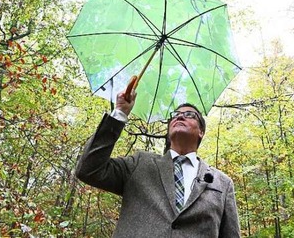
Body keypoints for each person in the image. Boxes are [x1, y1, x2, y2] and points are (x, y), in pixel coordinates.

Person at [75, 76, 241, 237]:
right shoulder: (139, 164)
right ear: (169, 132)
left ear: (201, 132)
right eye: (175, 115)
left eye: (190, 115)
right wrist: (120, 112)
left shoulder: (222, 183)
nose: (180, 116)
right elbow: (88, 170)